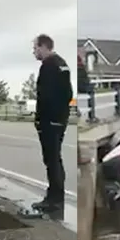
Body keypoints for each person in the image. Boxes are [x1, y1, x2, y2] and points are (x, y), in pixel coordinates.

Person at [31, 34, 73, 216]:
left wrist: (40, 120)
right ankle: (56, 197)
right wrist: (61, 115)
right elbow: (68, 93)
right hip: (60, 119)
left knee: (51, 160)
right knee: (56, 159)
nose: (34, 52)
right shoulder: (62, 64)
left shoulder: (48, 66)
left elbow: (45, 96)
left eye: (35, 48)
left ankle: (54, 200)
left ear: (44, 47)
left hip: (49, 121)